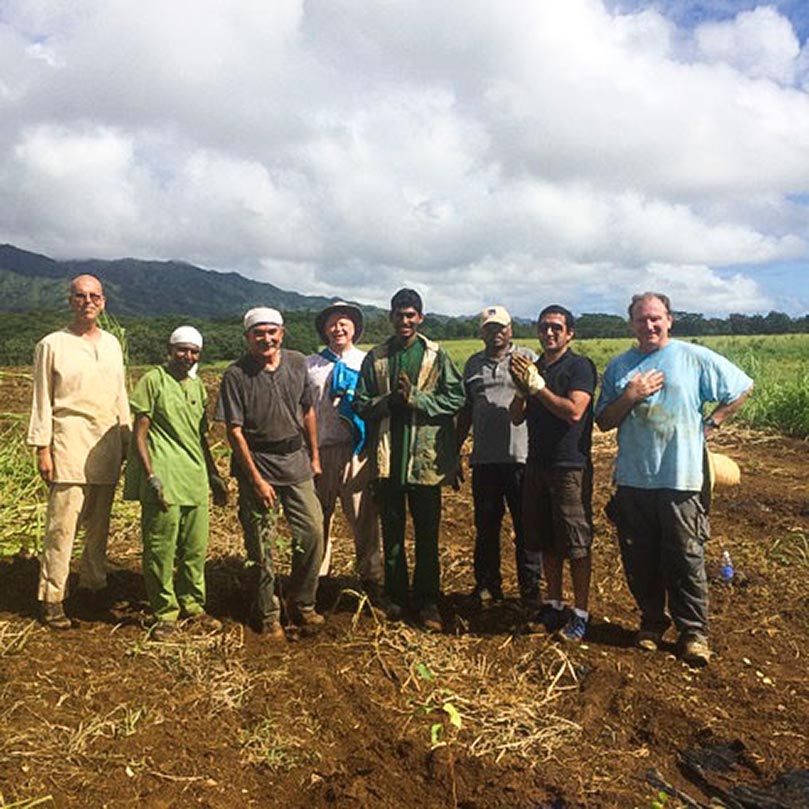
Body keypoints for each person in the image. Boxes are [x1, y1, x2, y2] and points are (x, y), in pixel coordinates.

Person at [596, 292, 753, 666]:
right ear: (631, 323)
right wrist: (631, 396)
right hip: (634, 478)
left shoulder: (691, 357)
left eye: (655, 318)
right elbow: (603, 421)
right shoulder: (620, 367)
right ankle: (651, 623)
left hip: (680, 478)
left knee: (685, 557)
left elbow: (741, 386)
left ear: (669, 320)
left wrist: (712, 423)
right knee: (639, 557)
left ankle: (693, 632)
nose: (649, 326)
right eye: (640, 319)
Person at [354, 288, 466, 630]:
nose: (404, 321)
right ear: (390, 317)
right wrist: (389, 401)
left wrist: (416, 400)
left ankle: (429, 600)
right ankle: (397, 596)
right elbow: (360, 403)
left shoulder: (436, 355)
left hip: (426, 462)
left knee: (428, 535)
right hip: (388, 460)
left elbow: (456, 398)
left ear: (420, 317)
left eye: (410, 315)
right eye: (399, 314)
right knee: (392, 533)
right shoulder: (376, 357)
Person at [27, 274, 130, 629]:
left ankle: (92, 587)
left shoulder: (113, 344)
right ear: (70, 300)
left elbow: (121, 396)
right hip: (68, 442)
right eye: (81, 295)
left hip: (107, 443)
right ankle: (53, 596)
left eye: (95, 296)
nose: (88, 301)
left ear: (103, 302)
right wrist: (43, 448)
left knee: (99, 526)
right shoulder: (52, 344)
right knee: (62, 526)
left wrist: (127, 441)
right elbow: (41, 400)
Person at [216, 307, 324, 641]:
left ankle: (303, 601)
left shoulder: (295, 362)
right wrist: (257, 480)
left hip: (295, 459)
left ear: (283, 333)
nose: (267, 339)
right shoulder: (236, 375)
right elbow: (234, 432)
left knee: (312, 532)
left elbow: (307, 410)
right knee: (262, 544)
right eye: (259, 333)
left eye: (272, 332)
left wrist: (314, 457)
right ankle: (267, 613)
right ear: (248, 337)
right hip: (257, 463)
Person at [124, 327, 228, 642]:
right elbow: (140, 433)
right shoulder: (153, 381)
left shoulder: (197, 387)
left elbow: (200, 437)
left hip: (194, 477)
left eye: (194, 352)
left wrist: (213, 475)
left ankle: (193, 606)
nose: (188, 357)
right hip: (164, 475)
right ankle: (164, 613)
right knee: (161, 549)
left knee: (195, 549)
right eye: (182, 350)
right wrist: (150, 475)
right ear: (169, 350)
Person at [509, 306, 597, 642]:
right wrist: (522, 387)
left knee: (575, 543)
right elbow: (516, 417)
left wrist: (538, 388)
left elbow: (573, 412)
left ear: (569, 333)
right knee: (545, 540)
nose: (549, 333)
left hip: (569, 466)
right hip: (537, 463)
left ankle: (581, 613)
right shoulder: (536, 368)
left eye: (557, 328)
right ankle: (555, 604)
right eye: (544, 327)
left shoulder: (579, 367)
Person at [456, 305, 541, 609]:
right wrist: (455, 451)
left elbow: (540, 399)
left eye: (501, 327)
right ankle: (487, 585)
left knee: (526, 527)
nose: (497, 333)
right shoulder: (472, 365)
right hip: (485, 460)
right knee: (487, 526)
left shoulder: (527, 358)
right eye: (490, 328)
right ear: (482, 333)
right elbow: (466, 410)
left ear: (511, 329)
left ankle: (530, 591)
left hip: (522, 458)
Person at [306, 302, 383, 598]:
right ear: (325, 329)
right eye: (332, 324)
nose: (338, 328)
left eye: (344, 323)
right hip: (321, 450)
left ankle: (371, 579)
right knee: (318, 518)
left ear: (354, 329)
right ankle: (317, 579)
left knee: (364, 517)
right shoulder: (310, 365)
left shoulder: (368, 362)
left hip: (357, 451)